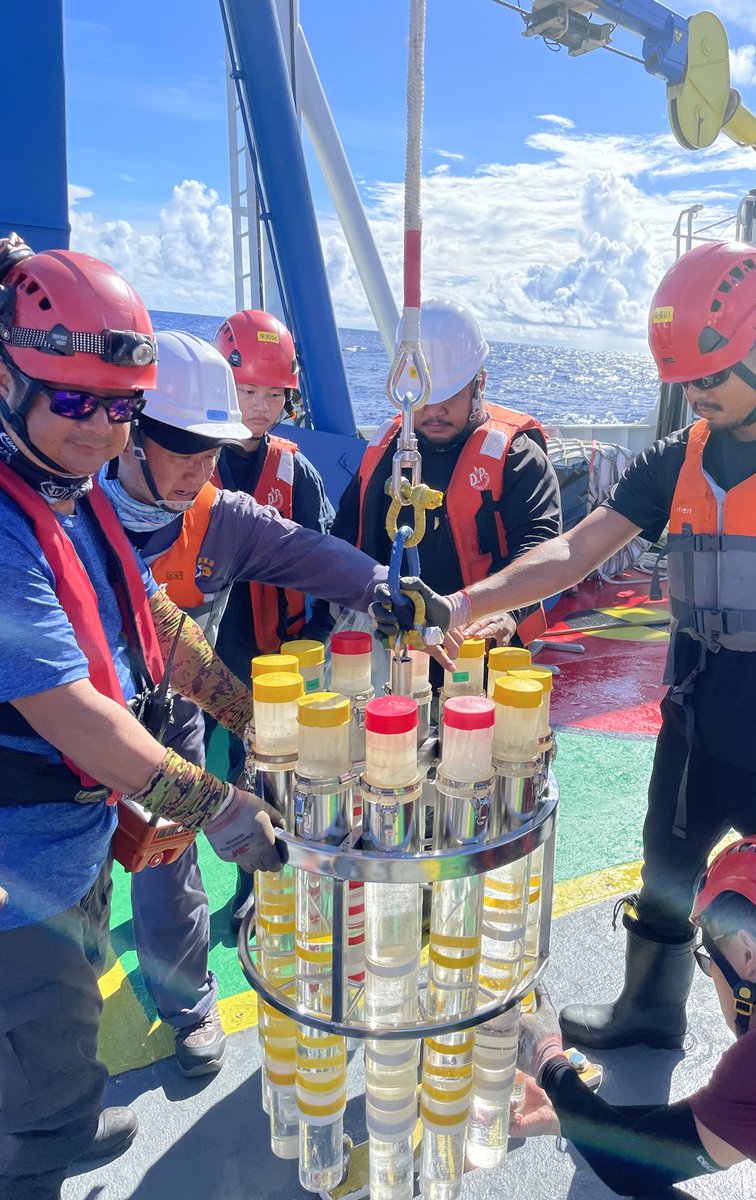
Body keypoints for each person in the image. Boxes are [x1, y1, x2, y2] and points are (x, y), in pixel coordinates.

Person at [374, 243, 756, 1051]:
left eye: (710, 378)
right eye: (683, 381)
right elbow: (572, 553)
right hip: (694, 731)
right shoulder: (676, 460)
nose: (696, 398)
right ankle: (649, 1017)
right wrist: (455, 604)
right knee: (665, 882)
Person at [0, 241, 282, 1200]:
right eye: (74, 400)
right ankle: (39, 1150)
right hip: (16, 851)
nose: (100, 429)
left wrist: (248, 715)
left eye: (120, 406)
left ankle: (66, 1113)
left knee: (68, 1003)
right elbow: (70, 712)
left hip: (71, 834)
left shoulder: (65, 493)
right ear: (7, 374)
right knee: (34, 1014)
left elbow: (149, 623)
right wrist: (221, 809)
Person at [103, 329, 388, 1076]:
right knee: (64, 898)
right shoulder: (65, 513)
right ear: (130, 434)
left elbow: (306, 550)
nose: (201, 471)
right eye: (185, 451)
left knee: (166, 871)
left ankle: (190, 1006)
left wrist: (391, 592)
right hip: (72, 739)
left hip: (173, 723)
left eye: (211, 453)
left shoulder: (221, 516)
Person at [514, 831, 756, 1199]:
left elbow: (628, 1168)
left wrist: (547, 1058)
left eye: (709, 961)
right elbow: (698, 1127)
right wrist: (564, 1113)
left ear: (746, 954)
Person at [332, 298, 561, 650]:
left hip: (480, 643)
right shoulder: (386, 454)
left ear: (478, 385)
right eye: (423, 397)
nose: (435, 411)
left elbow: (539, 544)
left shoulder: (517, 457)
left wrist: (508, 614)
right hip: (393, 641)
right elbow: (346, 536)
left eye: (450, 396)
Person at [213, 309, 334, 925]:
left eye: (272, 393)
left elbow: (328, 560)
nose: (259, 406)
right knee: (206, 774)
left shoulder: (297, 471)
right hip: (204, 654)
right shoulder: (187, 456)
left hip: (280, 650)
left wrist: (318, 636)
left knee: (273, 769)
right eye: (245, 391)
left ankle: (258, 887)